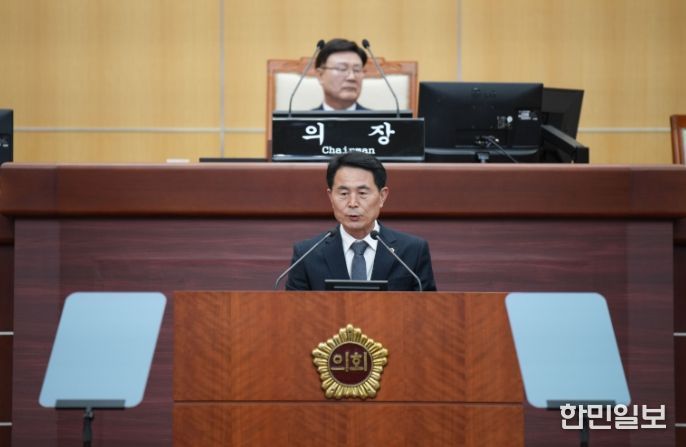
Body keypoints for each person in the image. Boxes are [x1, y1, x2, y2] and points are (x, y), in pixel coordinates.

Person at [285, 152, 437, 291]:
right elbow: (294, 309)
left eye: (362, 193)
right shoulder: (307, 255)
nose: (352, 203)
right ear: (331, 197)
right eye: (343, 193)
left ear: (382, 196)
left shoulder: (412, 251)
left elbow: (427, 308)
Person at [314, 38, 369, 111]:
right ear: (320, 75)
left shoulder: (379, 118)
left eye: (357, 70)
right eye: (342, 68)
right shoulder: (303, 118)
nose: (351, 77)